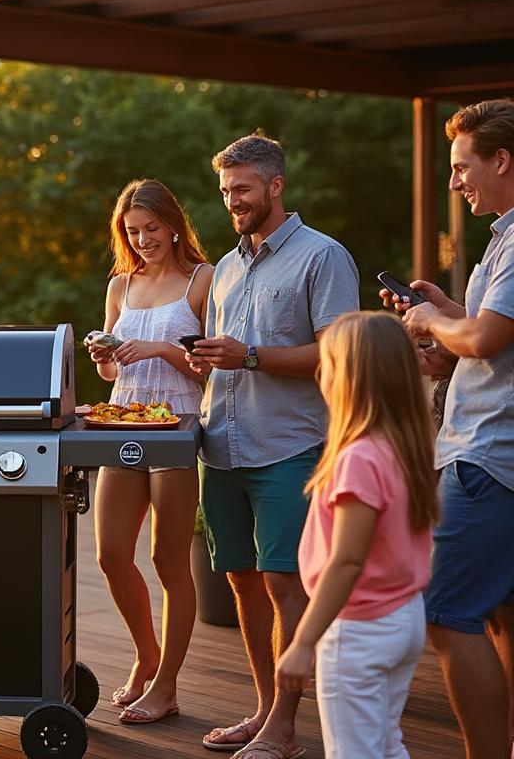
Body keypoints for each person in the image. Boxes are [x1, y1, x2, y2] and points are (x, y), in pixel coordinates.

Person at [186, 134, 360, 758]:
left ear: (276, 185)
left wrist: (251, 356)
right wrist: (205, 362)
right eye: (227, 190)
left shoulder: (323, 257)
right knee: (241, 584)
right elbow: (223, 357)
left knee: (285, 584)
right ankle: (263, 711)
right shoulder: (226, 268)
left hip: (288, 448)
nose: (233, 201)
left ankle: (285, 728)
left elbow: (339, 352)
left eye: (244, 189)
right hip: (222, 448)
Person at [383, 98, 514, 759]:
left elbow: (488, 337)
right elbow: (490, 336)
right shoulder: (502, 238)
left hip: (488, 458)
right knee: (500, 615)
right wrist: (443, 314)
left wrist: (433, 325)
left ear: (502, 160)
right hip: (490, 452)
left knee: (444, 611)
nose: (456, 182)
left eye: (463, 167)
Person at [274, 311, 437, 759]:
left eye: (325, 364)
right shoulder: (402, 446)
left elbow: (348, 560)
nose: (318, 374)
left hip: (359, 628)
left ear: (349, 378)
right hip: (403, 617)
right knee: (385, 743)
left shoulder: (358, 459)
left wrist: (304, 640)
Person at [86, 178, 211, 725]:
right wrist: (103, 358)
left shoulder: (202, 281)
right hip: (124, 420)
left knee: (166, 560)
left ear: (174, 224)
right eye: (132, 232)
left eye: (151, 228)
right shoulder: (121, 287)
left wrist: (163, 347)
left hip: (178, 425)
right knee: (111, 554)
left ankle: (167, 685)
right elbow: (116, 368)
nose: (142, 240)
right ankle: (146, 654)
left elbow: (209, 365)